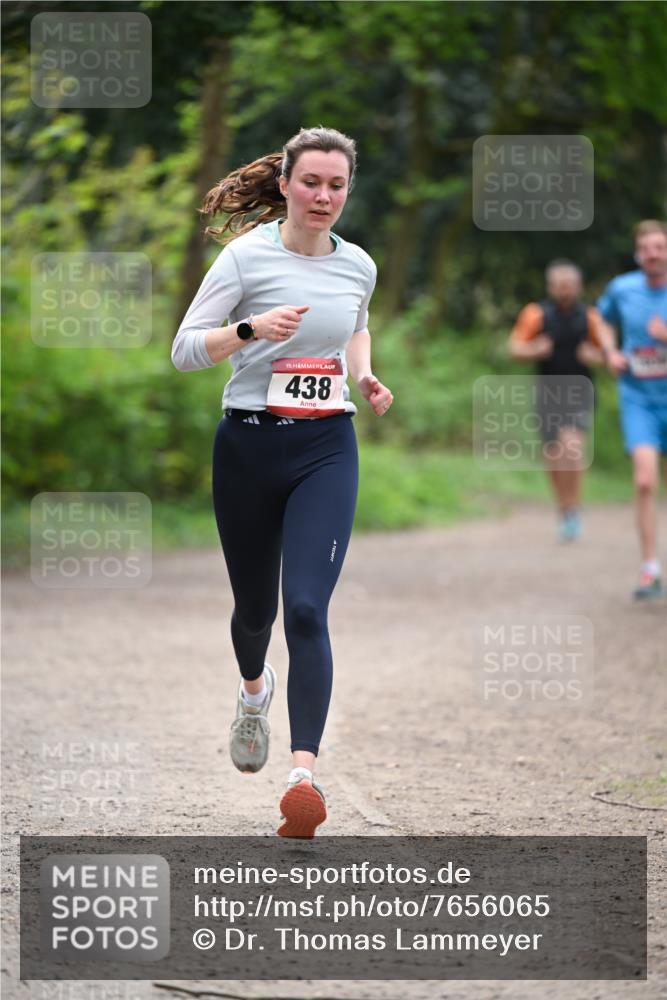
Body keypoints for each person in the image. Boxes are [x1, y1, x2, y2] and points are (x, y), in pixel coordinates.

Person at [171, 126, 393, 836]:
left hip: (327, 445)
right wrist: (247, 331)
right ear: (285, 185)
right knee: (254, 615)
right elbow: (183, 351)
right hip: (247, 446)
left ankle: (303, 779)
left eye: (336, 185)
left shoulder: (357, 264)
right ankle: (252, 691)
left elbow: (354, 325)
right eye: (311, 183)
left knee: (305, 610)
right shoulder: (244, 258)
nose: (323, 196)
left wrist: (362, 372)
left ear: (346, 189)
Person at [595, 220, 667, 600]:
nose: (653, 254)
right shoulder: (622, 289)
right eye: (647, 248)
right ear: (638, 253)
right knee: (644, 481)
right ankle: (649, 567)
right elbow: (601, 320)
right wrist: (610, 352)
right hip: (639, 398)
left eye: (660, 247)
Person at [508, 260, 604, 542]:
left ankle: (573, 508)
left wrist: (594, 356)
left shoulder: (591, 317)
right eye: (560, 286)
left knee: (573, 449)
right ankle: (564, 508)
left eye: (569, 286)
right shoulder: (536, 314)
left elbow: (608, 354)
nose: (564, 291)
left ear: (578, 287)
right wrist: (535, 349)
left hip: (579, 392)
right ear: (551, 287)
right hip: (547, 393)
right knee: (553, 456)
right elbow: (514, 347)